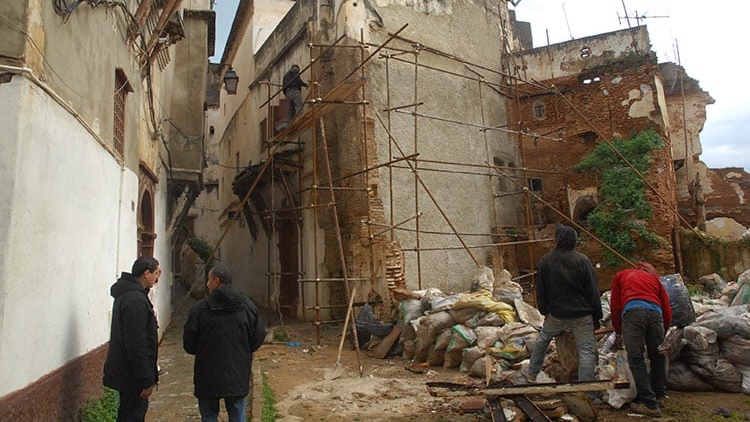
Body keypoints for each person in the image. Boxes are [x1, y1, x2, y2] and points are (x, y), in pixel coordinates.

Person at [183, 264, 266, 422]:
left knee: (208, 416)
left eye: (209, 280)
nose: (207, 284)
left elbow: (189, 344)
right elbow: (258, 336)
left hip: (207, 374)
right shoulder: (247, 307)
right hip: (237, 372)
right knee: (237, 415)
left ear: (216, 281)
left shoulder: (199, 310)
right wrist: (243, 350)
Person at [524, 224, 602, 384]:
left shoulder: (546, 260)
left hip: (557, 314)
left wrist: (545, 311)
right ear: (574, 240)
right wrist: (597, 316)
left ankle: (531, 373)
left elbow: (541, 290)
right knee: (586, 352)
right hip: (582, 314)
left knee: (542, 340)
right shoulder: (582, 260)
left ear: (557, 240)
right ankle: (587, 389)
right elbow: (593, 291)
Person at [610, 261, 672, 417]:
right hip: (656, 314)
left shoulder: (621, 275)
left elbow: (615, 306)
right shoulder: (654, 280)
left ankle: (649, 403)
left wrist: (618, 331)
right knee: (657, 355)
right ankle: (658, 395)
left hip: (633, 313)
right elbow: (666, 308)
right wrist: (664, 330)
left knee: (636, 358)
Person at [103, 256, 161, 422]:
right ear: (146, 273)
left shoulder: (132, 295)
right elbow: (136, 343)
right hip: (131, 376)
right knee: (132, 415)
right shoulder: (135, 300)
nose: (157, 278)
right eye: (156, 273)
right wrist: (145, 379)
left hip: (128, 373)